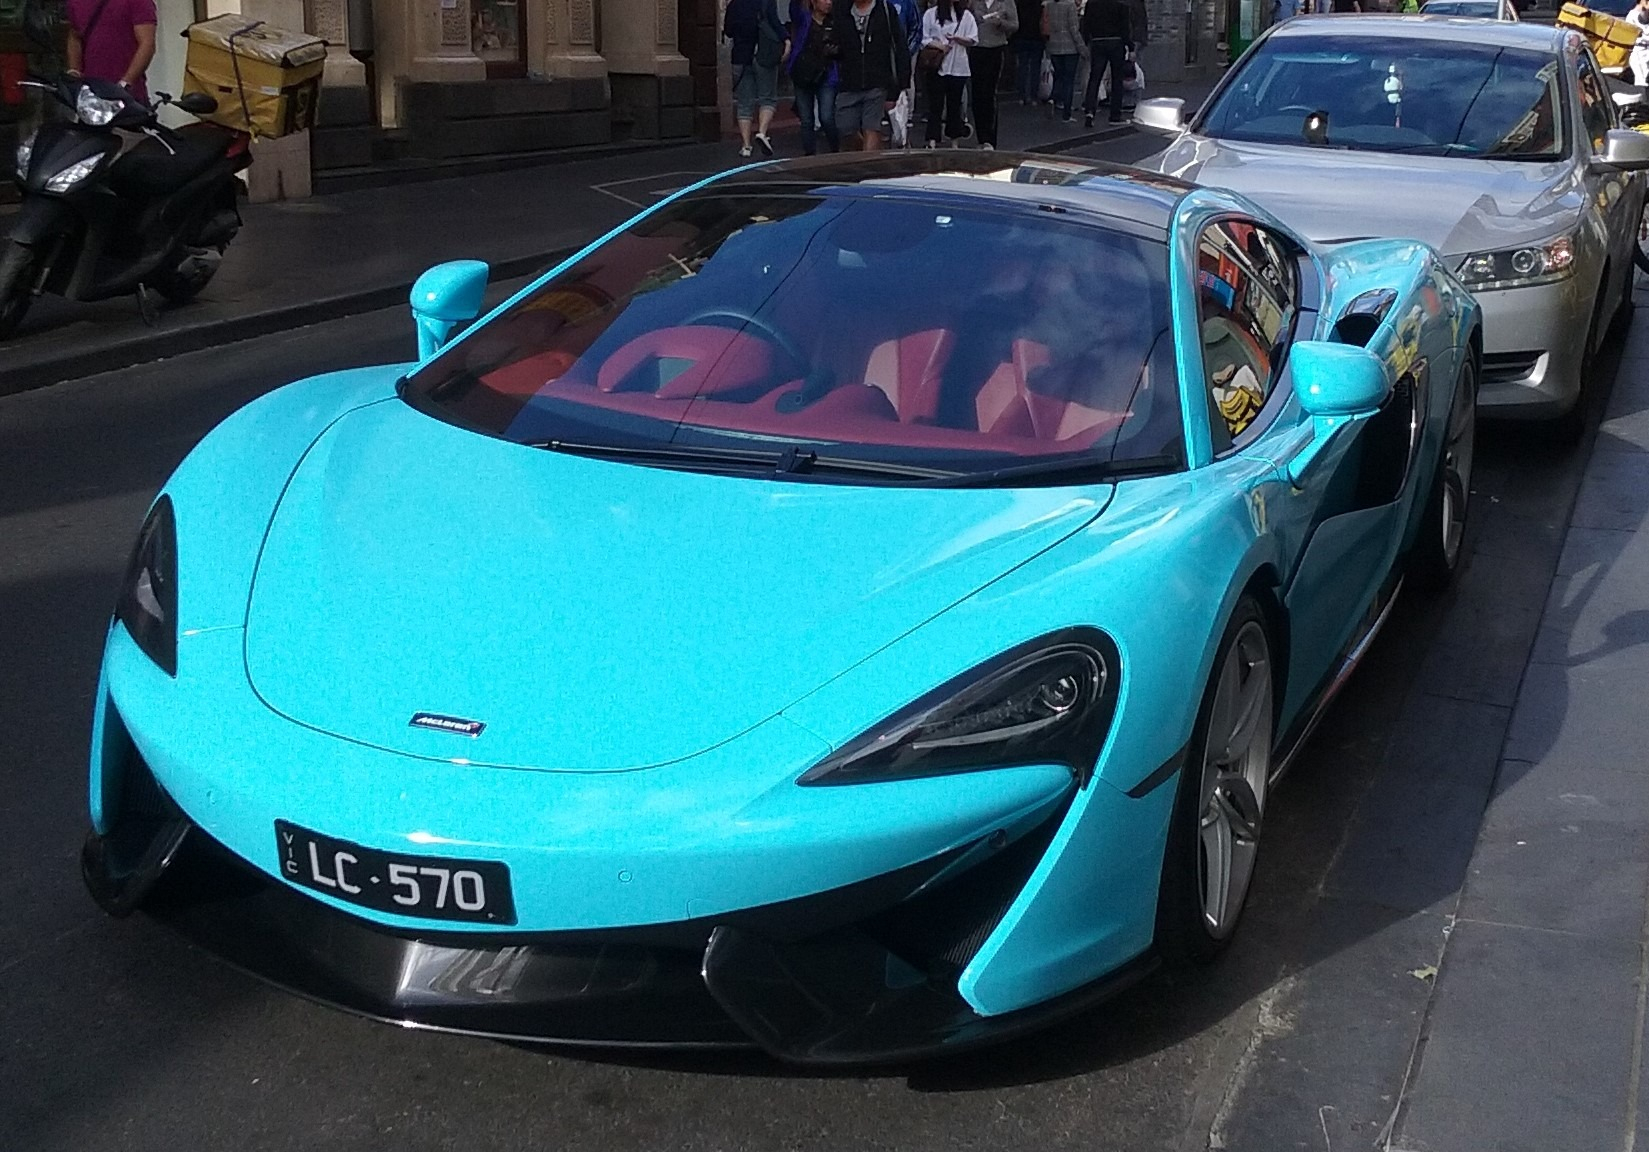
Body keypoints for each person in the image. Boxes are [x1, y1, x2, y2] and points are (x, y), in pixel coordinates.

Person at [831, 0, 911, 150]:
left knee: (871, 127)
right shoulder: (842, 9)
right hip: (849, 81)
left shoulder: (885, 10)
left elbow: (899, 46)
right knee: (845, 129)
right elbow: (836, 42)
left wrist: (900, 85)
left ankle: (870, 161)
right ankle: (865, 155)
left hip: (878, 81)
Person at [723, 0, 788, 157]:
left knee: (744, 103)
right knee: (768, 98)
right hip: (763, 54)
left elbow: (729, 31)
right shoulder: (766, 1)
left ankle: (746, 146)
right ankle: (762, 133)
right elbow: (774, 22)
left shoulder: (734, 4)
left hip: (741, 57)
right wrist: (786, 39)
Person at [66, 0, 156, 102]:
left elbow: (147, 44)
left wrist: (126, 82)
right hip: (90, 94)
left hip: (127, 96)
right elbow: (75, 36)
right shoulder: (76, 2)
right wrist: (74, 72)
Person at [788, 0, 842, 153]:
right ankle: (810, 155)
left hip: (827, 74)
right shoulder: (803, 18)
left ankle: (835, 150)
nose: (828, 3)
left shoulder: (836, 21)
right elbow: (794, 7)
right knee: (806, 120)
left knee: (827, 117)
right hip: (803, 74)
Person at [921, 0, 977, 147]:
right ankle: (932, 139)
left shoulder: (966, 15)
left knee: (955, 105)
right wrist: (940, 46)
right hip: (937, 65)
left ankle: (954, 139)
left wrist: (958, 39)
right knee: (935, 104)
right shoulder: (931, 14)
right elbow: (924, 38)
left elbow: (973, 39)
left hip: (958, 65)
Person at [968, 0, 1016, 149]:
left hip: (996, 48)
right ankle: (981, 138)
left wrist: (1000, 23)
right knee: (977, 94)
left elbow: (1015, 25)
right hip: (977, 48)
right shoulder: (974, 2)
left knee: (989, 92)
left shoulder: (1006, 2)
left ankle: (990, 139)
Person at [1080, 0, 1131, 126]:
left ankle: (1090, 111)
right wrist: (1130, 47)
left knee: (1095, 78)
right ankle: (1115, 116)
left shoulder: (1092, 4)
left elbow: (1086, 25)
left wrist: (1086, 42)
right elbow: (1125, 28)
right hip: (1116, 42)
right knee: (1117, 79)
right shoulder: (1121, 4)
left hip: (1097, 42)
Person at [1043, 0, 1081, 121]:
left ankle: (1052, 98)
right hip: (1070, 47)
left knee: (1059, 76)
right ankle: (1066, 114)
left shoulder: (1049, 5)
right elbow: (1074, 29)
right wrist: (1082, 48)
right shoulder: (1070, 5)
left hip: (1054, 45)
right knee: (1069, 80)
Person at [1011, 0, 1046, 106]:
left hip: (1021, 37)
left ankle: (1022, 96)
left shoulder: (1019, 4)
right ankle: (1033, 96)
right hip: (1037, 38)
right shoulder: (1040, 4)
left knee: (1022, 67)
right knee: (1035, 68)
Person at [1629, 0, 1649, 87]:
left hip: (1646, 52)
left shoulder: (1645, 14)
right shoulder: (1633, 16)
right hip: (1640, 53)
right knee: (1643, 83)